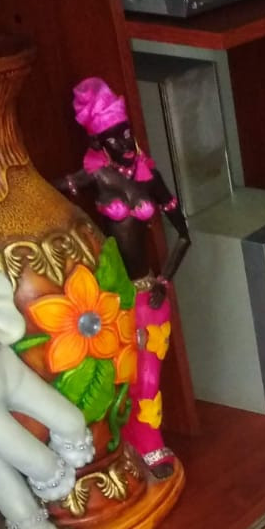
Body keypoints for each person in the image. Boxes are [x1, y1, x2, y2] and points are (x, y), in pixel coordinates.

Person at [59, 78, 191, 478]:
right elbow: (56, 194)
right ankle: (126, 443)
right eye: (113, 137)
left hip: (149, 290)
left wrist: (165, 281)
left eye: (126, 131)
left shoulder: (148, 176)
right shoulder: (96, 177)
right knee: (122, 376)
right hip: (112, 295)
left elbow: (184, 235)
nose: (124, 141)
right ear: (98, 142)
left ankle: (150, 441)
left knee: (149, 377)